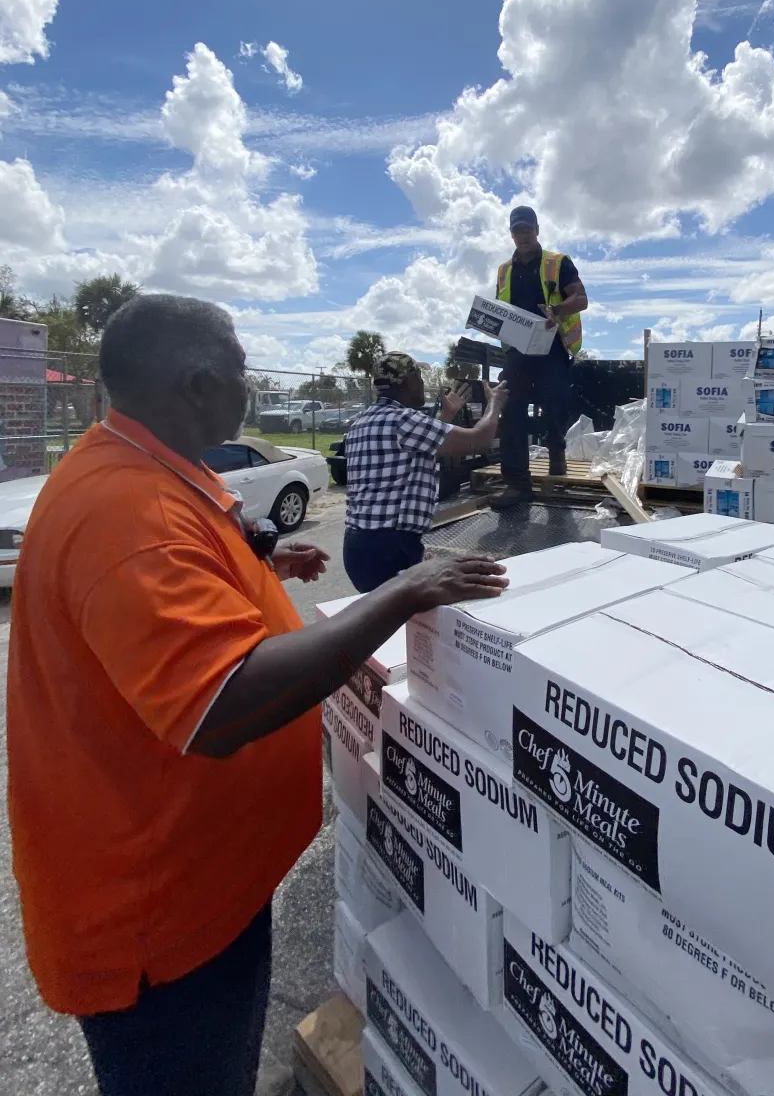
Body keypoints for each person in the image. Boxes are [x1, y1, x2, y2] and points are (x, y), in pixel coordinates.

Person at [6, 295, 507, 1096]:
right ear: (199, 384)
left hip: (204, 887)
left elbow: (179, 580)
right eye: (241, 371)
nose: (249, 387)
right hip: (159, 927)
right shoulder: (125, 513)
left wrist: (263, 564)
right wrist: (404, 591)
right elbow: (222, 703)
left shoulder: (151, 466)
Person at [343, 351, 508, 592]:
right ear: (407, 381)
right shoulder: (403, 420)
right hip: (389, 547)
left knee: (388, 621)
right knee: (403, 618)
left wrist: (448, 413)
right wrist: (494, 404)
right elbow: (480, 439)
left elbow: (423, 450)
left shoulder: (361, 422)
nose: (422, 384)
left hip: (360, 546)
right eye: (419, 377)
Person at [494, 204, 588, 506]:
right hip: (519, 350)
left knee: (556, 404)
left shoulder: (557, 262)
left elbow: (581, 298)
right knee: (510, 411)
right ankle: (517, 485)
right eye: (516, 230)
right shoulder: (504, 270)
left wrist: (557, 310)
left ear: (536, 230)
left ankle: (556, 450)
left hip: (552, 348)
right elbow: (500, 307)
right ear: (511, 234)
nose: (521, 236)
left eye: (526, 229)